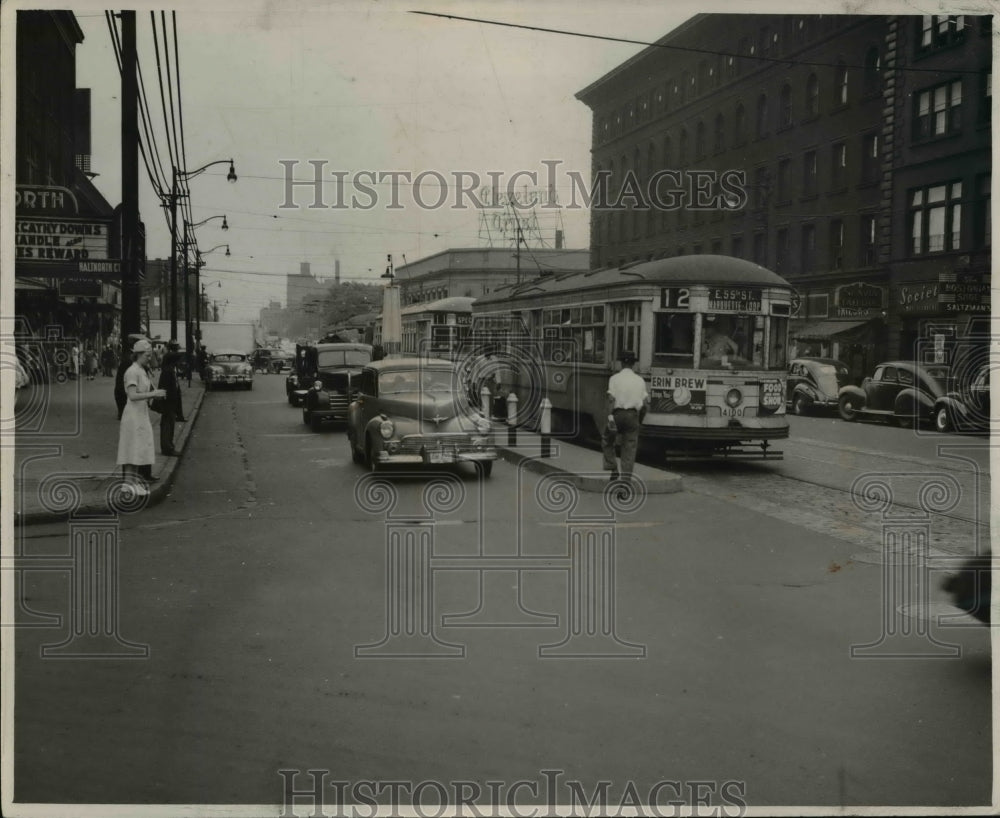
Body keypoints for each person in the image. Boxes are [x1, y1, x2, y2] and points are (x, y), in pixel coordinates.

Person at [116, 339, 166, 496]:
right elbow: (132, 395)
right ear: (137, 354)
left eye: (150, 355)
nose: (148, 357)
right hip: (133, 414)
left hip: (141, 413)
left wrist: (154, 395)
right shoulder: (132, 371)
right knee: (132, 447)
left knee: (138, 447)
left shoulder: (142, 370)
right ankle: (128, 483)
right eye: (146, 354)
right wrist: (154, 394)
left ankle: (133, 481)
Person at [601, 350, 649, 484]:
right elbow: (645, 405)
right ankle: (626, 481)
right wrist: (639, 420)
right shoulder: (640, 380)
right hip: (633, 416)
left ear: (621, 363)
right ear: (633, 364)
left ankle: (613, 468)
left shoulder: (614, 379)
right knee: (629, 449)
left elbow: (611, 400)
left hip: (617, 415)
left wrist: (610, 417)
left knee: (607, 441)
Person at [157, 345, 185, 456]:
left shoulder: (170, 371)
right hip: (168, 404)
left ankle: (169, 445)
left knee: (170, 425)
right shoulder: (167, 373)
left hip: (171, 404)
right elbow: (164, 389)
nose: (178, 363)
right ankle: (167, 448)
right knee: (167, 426)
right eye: (176, 361)